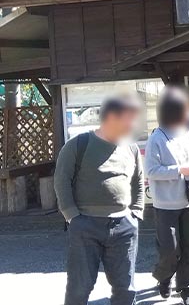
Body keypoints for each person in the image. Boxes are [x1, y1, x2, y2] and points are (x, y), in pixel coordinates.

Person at [54, 92, 144, 305]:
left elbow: (138, 181)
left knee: (125, 288)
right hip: (86, 223)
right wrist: (72, 216)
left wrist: (136, 213)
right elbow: (61, 180)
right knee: (80, 287)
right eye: (129, 118)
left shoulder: (130, 148)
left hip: (123, 225)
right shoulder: (78, 145)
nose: (133, 124)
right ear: (112, 117)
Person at [144, 86, 189, 305]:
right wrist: (179, 170)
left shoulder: (185, 133)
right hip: (165, 204)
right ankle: (164, 277)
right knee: (169, 250)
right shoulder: (156, 138)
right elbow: (150, 171)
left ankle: (188, 289)